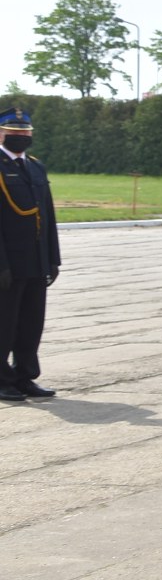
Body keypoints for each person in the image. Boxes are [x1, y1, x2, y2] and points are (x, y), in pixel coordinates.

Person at [0, 108, 59, 402]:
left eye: (25, 132)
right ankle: (2, 380)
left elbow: (47, 216)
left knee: (31, 324)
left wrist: (53, 259)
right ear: (1, 134)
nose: (21, 136)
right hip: (8, 264)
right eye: (14, 132)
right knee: (4, 325)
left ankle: (25, 376)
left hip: (35, 261)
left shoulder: (36, 167)